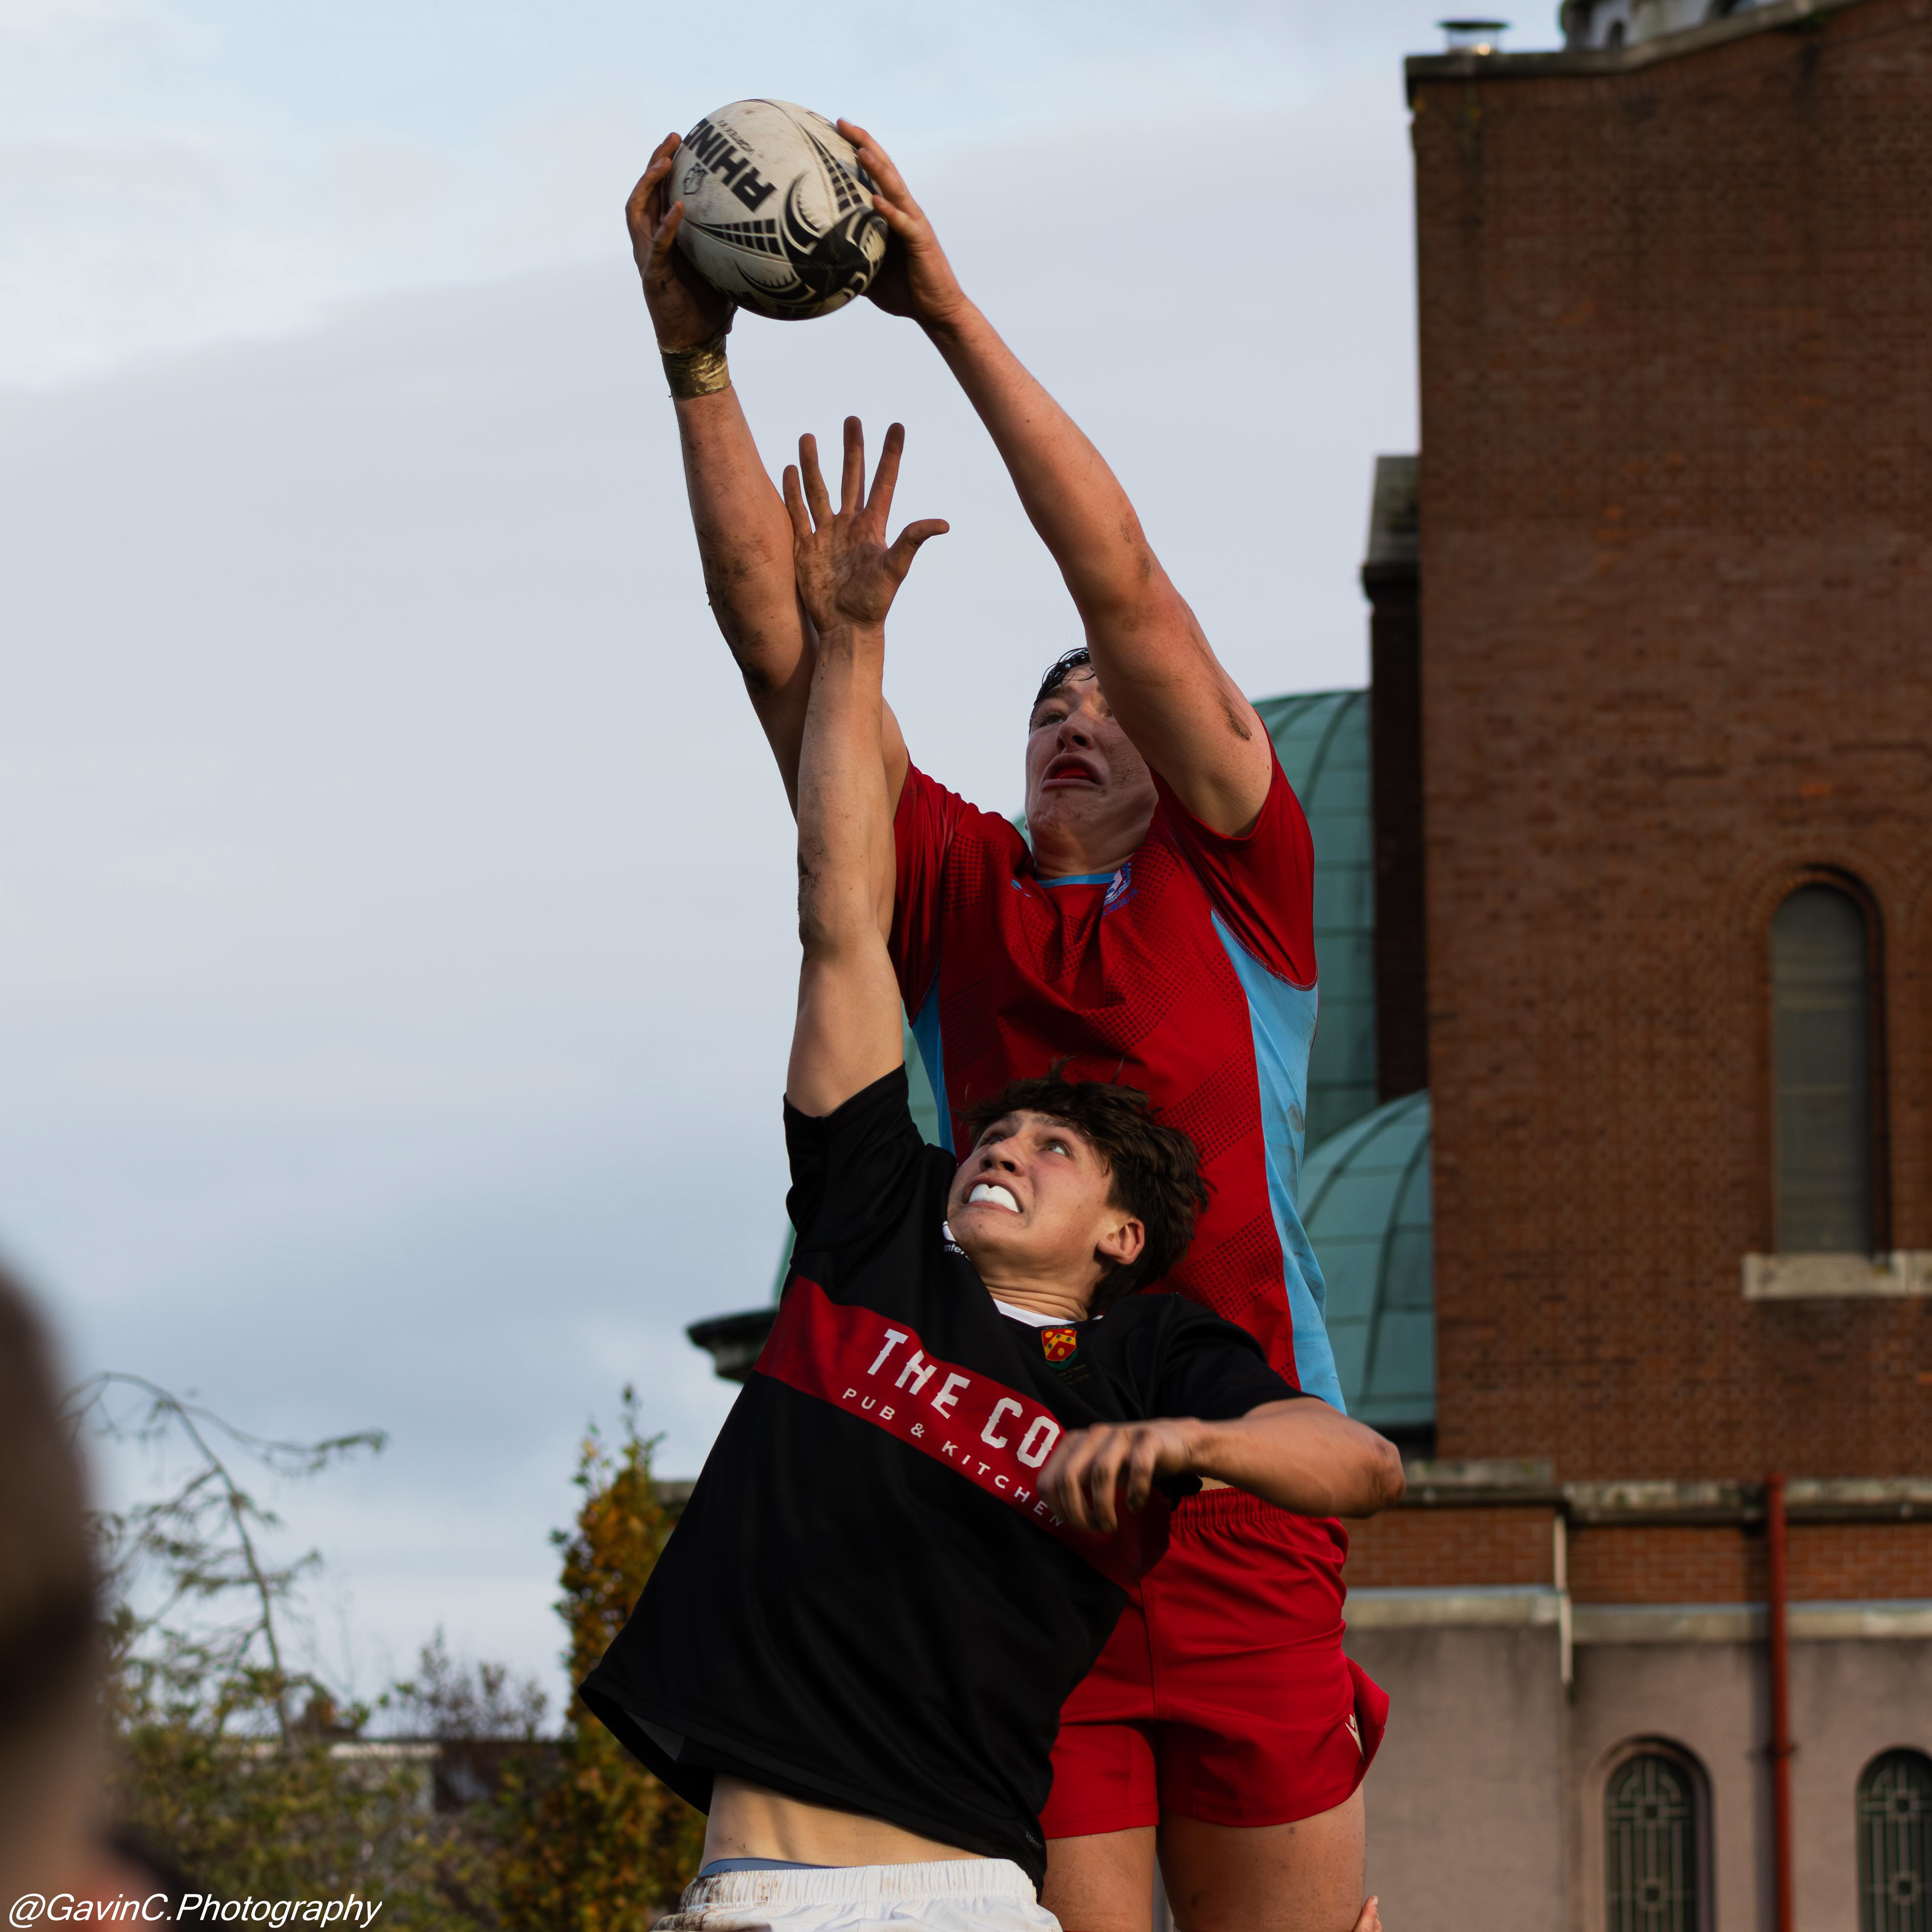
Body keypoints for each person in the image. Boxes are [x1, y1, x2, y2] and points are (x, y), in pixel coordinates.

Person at [626, 126, 1386, 1932]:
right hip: (1025, 1511)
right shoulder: (957, 888)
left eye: (1109, 699)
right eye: (1048, 700)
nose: (1077, 710)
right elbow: (783, 652)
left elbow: (1127, 585)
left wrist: (944, 311)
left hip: (1237, 1488)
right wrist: (693, 358)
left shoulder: (1239, 880)